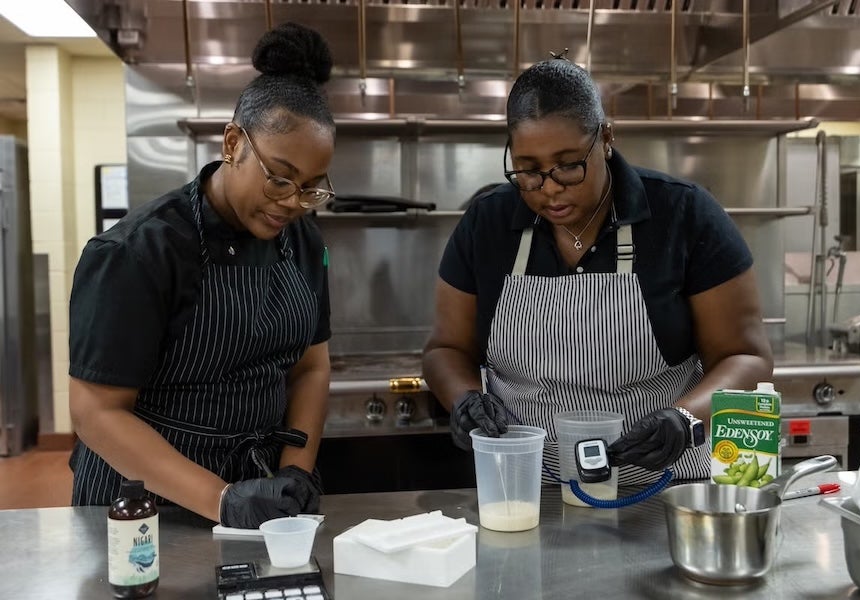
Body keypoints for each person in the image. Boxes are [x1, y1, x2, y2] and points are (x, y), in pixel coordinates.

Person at [422, 55, 774, 485]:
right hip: (527, 486)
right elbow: (445, 350)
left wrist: (683, 419)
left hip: (663, 480)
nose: (549, 188)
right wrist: (465, 400)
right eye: (529, 170)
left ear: (605, 138)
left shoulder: (684, 214)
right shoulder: (487, 224)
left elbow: (746, 357)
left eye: (568, 164)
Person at [68, 22, 336, 527]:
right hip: (140, 508)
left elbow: (310, 367)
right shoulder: (139, 251)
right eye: (279, 178)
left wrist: (296, 469)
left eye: (311, 188)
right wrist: (222, 500)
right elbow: (96, 412)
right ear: (232, 142)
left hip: (256, 499)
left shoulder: (304, 243)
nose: (292, 203)